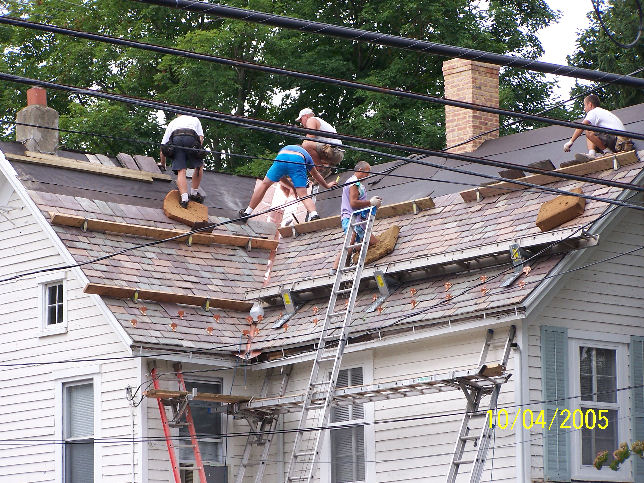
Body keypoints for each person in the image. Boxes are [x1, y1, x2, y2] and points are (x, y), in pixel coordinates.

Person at [239, 143, 337, 222]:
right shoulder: (305, 154)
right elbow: (316, 175)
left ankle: (247, 212)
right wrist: (327, 186)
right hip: (298, 160)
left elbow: (280, 176)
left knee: (264, 184)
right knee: (303, 194)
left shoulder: (286, 148)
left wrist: (291, 187)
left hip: (281, 157)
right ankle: (314, 214)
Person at [330, 161, 382, 275]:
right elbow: (353, 203)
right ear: (360, 170)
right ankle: (335, 269)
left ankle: (350, 261)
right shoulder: (353, 183)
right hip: (351, 218)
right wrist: (370, 202)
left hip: (358, 220)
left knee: (371, 243)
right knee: (350, 242)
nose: (367, 176)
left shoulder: (358, 184)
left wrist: (371, 204)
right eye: (367, 172)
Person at [563, 94, 627, 162]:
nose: (584, 109)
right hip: (623, 142)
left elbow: (581, 126)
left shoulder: (593, 112)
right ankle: (592, 154)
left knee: (588, 129)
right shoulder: (602, 112)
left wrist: (571, 141)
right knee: (591, 130)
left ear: (590, 104)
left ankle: (606, 152)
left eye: (585, 106)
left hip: (619, 141)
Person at [160, 114, 206, 209]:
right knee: (199, 166)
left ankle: (184, 199)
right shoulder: (195, 119)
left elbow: (163, 147)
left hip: (176, 139)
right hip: (191, 137)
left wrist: (163, 164)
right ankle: (194, 193)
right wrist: (197, 152)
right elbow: (200, 138)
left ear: (177, 115)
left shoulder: (172, 123)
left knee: (181, 170)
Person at [296, 108, 344, 175]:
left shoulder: (311, 120)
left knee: (305, 146)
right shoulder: (319, 122)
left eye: (301, 119)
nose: (301, 123)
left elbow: (310, 136)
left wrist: (299, 149)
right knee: (311, 157)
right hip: (337, 153)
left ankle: (321, 169)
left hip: (333, 150)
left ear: (306, 116)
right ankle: (325, 169)